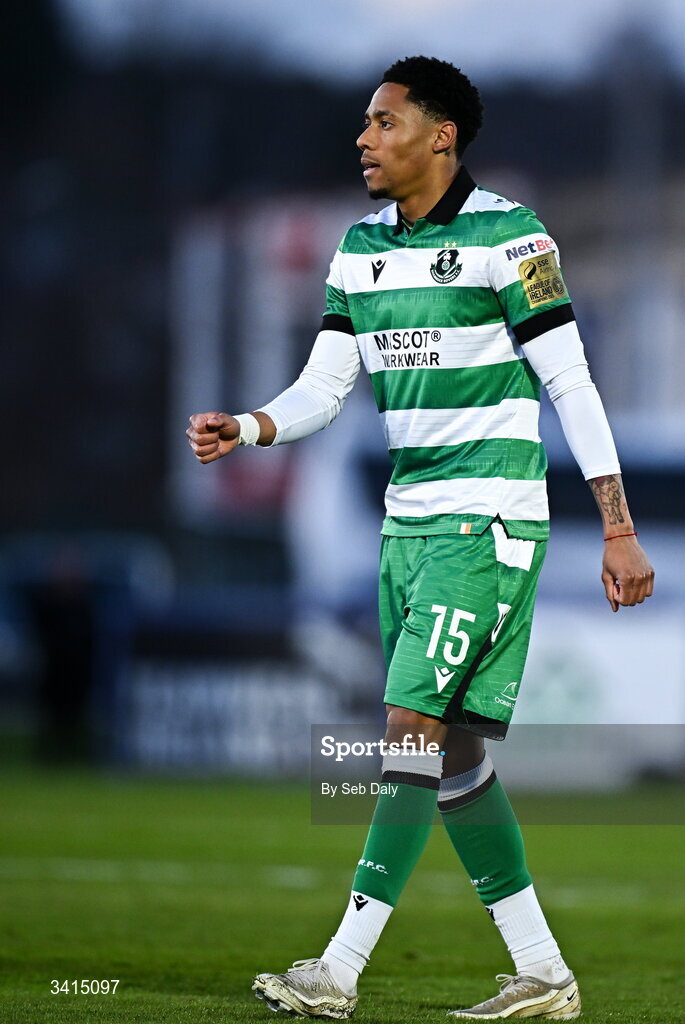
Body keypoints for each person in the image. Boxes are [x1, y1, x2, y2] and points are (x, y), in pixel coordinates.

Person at [187, 56, 654, 1021]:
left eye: (385, 122)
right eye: (364, 122)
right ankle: (545, 975)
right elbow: (324, 389)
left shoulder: (514, 238)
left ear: (441, 135)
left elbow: (572, 382)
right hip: (407, 527)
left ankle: (337, 970)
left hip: (485, 528)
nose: (363, 137)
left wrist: (619, 527)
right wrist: (252, 426)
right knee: (450, 762)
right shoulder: (357, 248)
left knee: (408, 734)